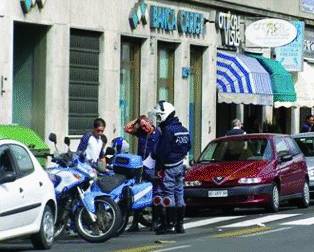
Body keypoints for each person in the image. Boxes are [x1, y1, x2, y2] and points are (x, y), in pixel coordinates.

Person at [153, 101, 191, 235]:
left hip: (168, 166)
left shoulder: (168, 130)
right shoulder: (184, 130)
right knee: (179, 193)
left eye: (159, 116)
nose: (158, 119)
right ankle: (180, 225)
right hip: (180, 165)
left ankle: (168, 225)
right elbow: (188, 147)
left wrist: (158, 165)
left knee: (167, 194)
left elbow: (162, 151)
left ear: (166, 114)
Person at [124, 115, 161, 232]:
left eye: (145, 125)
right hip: (141, 168)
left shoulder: (159, 133)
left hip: (152, 168)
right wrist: (137, 120)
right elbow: (127, 128)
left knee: (154, 194)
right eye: (142, 126)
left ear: (150, 123)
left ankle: (155, 221)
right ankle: (135, 223)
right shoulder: (141, 133)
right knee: (138, 194)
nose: (144, 128)